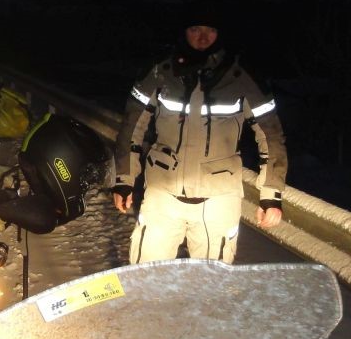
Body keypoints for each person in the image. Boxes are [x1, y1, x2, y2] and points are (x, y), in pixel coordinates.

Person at [111, 14, 288, 264]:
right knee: (147, 276)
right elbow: (132, 126)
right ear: (184, 32)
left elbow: (270, 136)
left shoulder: (242, 77)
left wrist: (271, 195)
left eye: (210, 30)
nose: (203, 37)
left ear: (220, 34)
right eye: (195, 29)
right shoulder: (160, 72)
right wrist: (124, 179)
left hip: (218, 200)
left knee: (211, 282)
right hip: (163, 194)